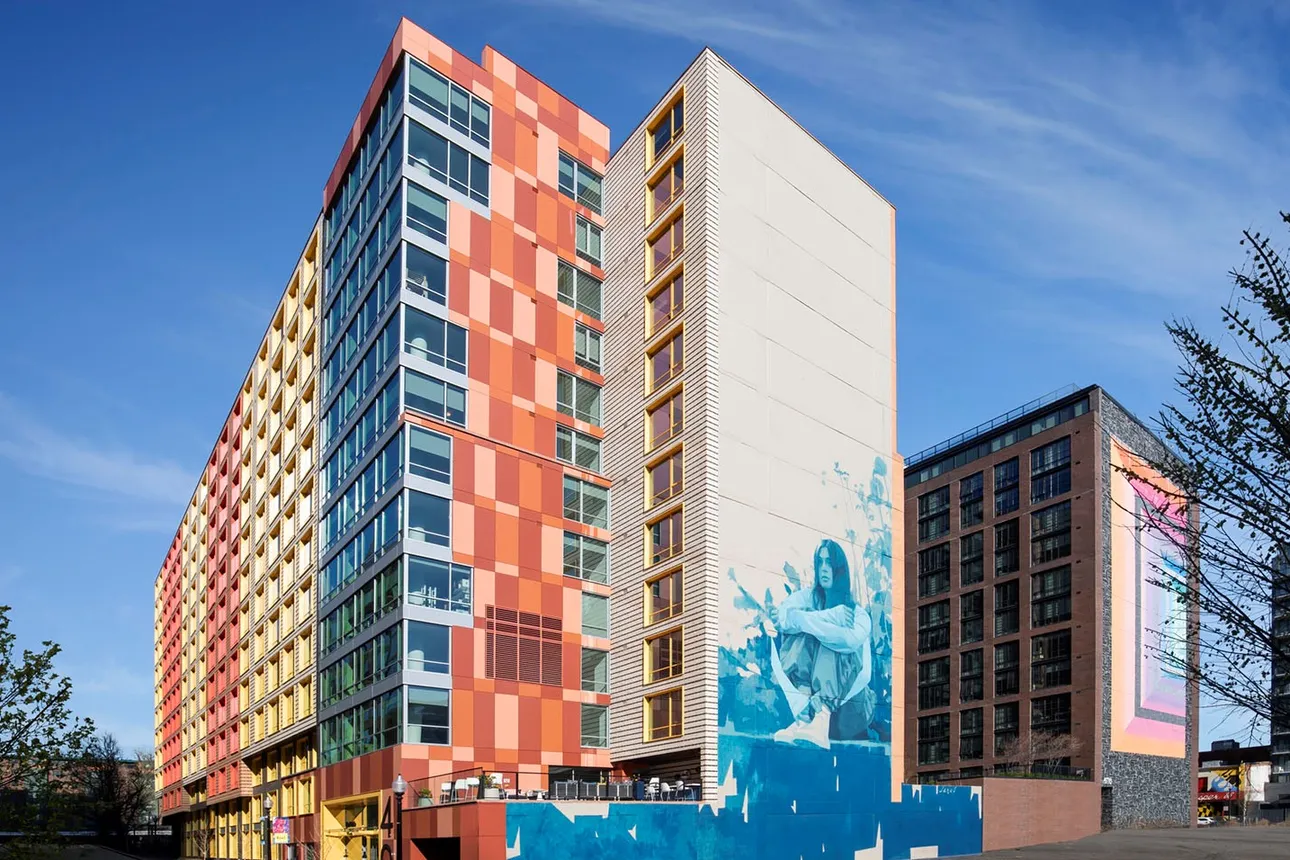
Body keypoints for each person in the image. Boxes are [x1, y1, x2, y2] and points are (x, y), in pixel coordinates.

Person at [768, 539, 873, 742]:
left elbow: (847, 641)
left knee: (829, 637)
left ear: (839, 569)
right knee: (803, 634)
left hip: (850, 711)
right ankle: (806, 717)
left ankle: (820, 717)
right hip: (814, 704)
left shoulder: (858, 614)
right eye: (820, 562)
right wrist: (831, 616)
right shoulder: (808, 598)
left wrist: (804, 620)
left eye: (829, 563)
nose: (824, 569)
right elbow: (783, 618)